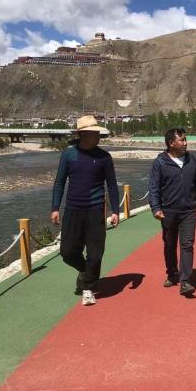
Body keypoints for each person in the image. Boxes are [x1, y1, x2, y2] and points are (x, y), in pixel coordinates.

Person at [51, 115, 119, 306]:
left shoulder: (104, 157)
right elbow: (59, 182)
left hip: (96, 210)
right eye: (93, 133)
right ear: (83, 134)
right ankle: (85, 270)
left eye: (98, 133)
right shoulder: (69, 155)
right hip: (73, 209)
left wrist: (115, 210)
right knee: (67, 252)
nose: (97, 136)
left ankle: (88, 288)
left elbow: (112, 185)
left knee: (95, 254)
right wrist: (55, 208)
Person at [149, 128, 196, 297]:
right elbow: (154, 187)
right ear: (171, 143)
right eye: (181, 140)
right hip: (168, 211)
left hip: (188, 211)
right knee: (169, 244)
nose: (185, 143)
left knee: (187, 245)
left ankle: (185, 281)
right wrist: (156, 208)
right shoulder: (160, 162)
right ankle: (172, 272)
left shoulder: (191, 159)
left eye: (185, 139)